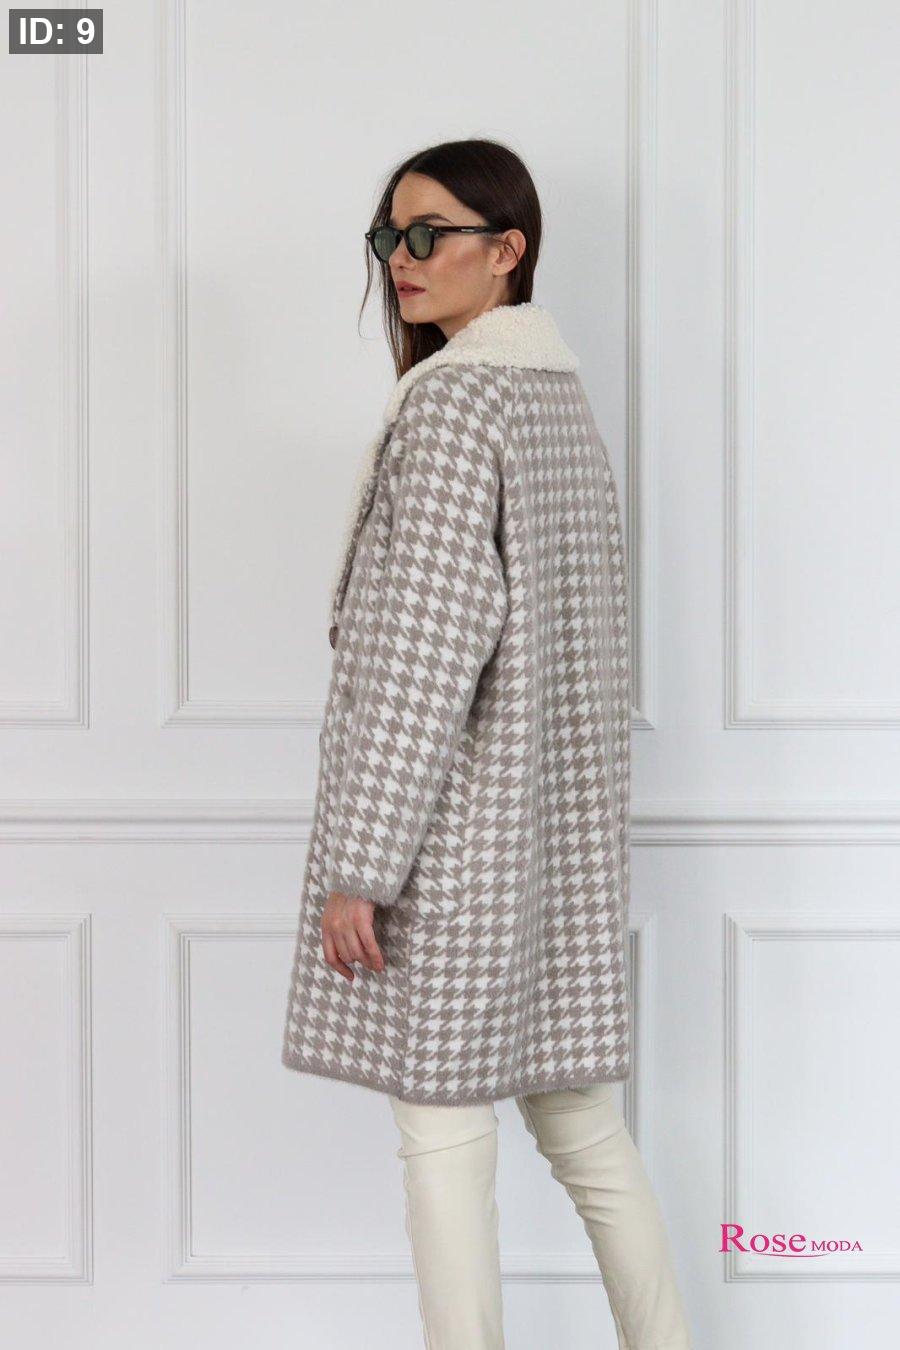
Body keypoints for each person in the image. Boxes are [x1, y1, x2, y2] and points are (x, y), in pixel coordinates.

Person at [282, 137, 693, 1349]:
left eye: (430, 235)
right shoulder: (555, 399)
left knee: (443, 1135)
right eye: (389, 237)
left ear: (507, 249)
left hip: (456, 846)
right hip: (556, 845)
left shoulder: (457, 403)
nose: (401, 261)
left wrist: (363, 866)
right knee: (585, 1128)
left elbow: (422, 660)